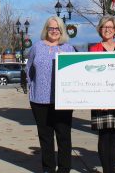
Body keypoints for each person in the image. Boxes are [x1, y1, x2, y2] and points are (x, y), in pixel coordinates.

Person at [26, 16, 75, 173]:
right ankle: (48, 168)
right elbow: (29, 71)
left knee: (63, 136)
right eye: (51, 28)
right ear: (46, 30)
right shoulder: (37, 47)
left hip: (63, 101)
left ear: (62, 31)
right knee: (45, 137)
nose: (54, 31)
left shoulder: (68, 48)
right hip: (40, 100)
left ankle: (64, 169)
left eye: (57, 28)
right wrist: (33, 87)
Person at [89, 15, 115, 173]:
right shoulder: (94, 49)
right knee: (104, 135)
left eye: (110, 27)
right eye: (104, 27)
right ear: (100, 29)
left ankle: (111, 168)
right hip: (100, 99)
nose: (107, 30)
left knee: (114, 135)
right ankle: (107, 170)